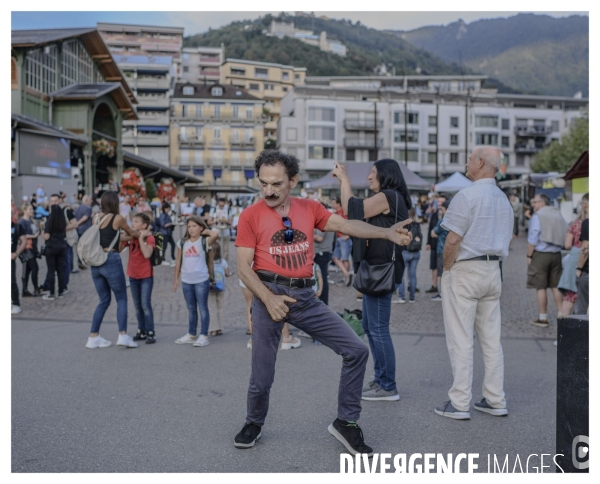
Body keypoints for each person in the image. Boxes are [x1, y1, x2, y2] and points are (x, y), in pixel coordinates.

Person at [233, 150, 412, 454]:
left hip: (304, 298)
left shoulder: (309, 208)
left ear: (293, 181)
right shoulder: (250, 215)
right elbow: (242, 267)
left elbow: (345, 226)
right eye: (263, 184)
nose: (268, 191)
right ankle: (254, 422)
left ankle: (346, 423)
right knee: (262, 376)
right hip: (268, 295)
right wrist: (267, 298)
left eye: (276, 184)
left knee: (356, 350)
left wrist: (386, 233)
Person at [433, 147, 513, 420]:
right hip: (493, 269)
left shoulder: (466, 195)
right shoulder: (504, 199)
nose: (467, 163)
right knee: (491, 340)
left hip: (466, 268)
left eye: (469, 159)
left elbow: (453, 239)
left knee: (461, 338)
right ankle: (495, 398)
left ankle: (459, 403)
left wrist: (446, 269)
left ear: (480, 163)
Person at [336, 158, 411, 403]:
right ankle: (380, 380)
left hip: (381, 270)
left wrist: (345, 180)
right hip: (375, 269)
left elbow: (352, 210)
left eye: (373, 172)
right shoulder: (392, 196)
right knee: (370, 327)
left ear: (386, 175)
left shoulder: (389, 195)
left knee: (378, 330)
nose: (369, 176)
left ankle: (388, 385)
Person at [86, 191, 141, 349]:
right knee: (121, 298)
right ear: (115, 203)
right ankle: (123, 335)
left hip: (96, 261)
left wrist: (125, 236)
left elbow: (106, 237)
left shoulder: (95, 217)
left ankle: (93, 337)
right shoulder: (118, 218)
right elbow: (131, 233)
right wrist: (138, 234)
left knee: (103, 300)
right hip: (110, 259)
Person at [173, 216, 219, 347]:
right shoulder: (182, 242)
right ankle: (191, 334)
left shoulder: (204, 241)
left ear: (201, 228)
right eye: (189, 226)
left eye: (194, 226)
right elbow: (178, 261)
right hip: (186, 280)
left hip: (201, 280)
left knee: (203, 308)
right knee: (191, 308)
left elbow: (215, 235)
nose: (191, 229)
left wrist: (207, 231)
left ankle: (204, 335)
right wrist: (176, 278)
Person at [527, 193, 568, 328]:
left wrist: (529, 255)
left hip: (541, 253)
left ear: (542, 203)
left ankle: (542, 318)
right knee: (556, 286)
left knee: (540, 286)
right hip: (556, 254)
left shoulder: (538, 216)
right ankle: (562, 314)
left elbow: (533, 236)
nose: (533, 204)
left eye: (535, 202)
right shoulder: (557, 213)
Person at [121, 212, 157, 344]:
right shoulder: (131, 237)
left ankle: (150, 331)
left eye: (136, 221)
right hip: (133, 275)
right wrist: (125, 237)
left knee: (145, 304)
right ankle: (141, 330)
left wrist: (141, 238)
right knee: (137, 306)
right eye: (132, 221)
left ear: (144, 225)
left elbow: (147, 254)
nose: (133, 223)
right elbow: (119, 249)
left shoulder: (150, 238)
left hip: (146, 275)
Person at [558, 193, 588, 316]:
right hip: (586, 263)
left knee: (570, 296)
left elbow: (567, 245)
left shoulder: (576, 224)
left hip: (576, 260)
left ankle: (563, 329)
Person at [41, 204, 74, 301]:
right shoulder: (62, 222)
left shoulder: (49, 222)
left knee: (51, 270)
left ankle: (51, 292)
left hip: (51, 247)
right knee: (60, 270)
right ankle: (60, 291)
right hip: (62, 246)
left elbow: (46, 236)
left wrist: (42, 229)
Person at [394, 208, 422, 303]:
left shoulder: (404, 226)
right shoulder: (417, 224)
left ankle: (402, 297)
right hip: (416, 253)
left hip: (405, 252)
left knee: (401, 275)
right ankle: (412, 297)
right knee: (412, 275)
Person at [207, 241, 232, 336]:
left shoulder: (208, 261)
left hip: (210, 287)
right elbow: (227, 273)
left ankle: (213, 329)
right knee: (220, 307)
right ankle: (220, 328)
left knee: (212, 308)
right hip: (221, 287)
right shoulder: (222, 261)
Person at [313, 208, 336, 305]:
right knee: (323, 277)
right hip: (325, 251)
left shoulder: (322, 221)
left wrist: (308, 231)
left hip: (321, 252)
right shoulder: (330, 220)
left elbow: (319, 238)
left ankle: (323, 303)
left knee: (322, 278)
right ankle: (323, 303)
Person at [425, 194, 447, 293]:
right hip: (434, 245)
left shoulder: (446, 216)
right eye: (438, 202)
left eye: (441, 202)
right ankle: (434, 286)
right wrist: (428, 242)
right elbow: (430, 229)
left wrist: (437, 234)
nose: (439, 204)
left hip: (443, 246)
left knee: (442, 268)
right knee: (433, 266)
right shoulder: (434, 214)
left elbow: (436, 231)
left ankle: (442, 289)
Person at [19, 204, 41, 297]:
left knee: (27, 270)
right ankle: (35, 289)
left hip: (32, 248)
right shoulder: (22, 222)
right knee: (34, 268)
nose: (32, 210)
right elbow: (22, 236)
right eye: (30, 209)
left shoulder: (30, 221)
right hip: (26, 249)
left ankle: (25, 290)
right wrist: (34, 236)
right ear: (24, 210)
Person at [430, 200, 451, 301]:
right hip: (451, 250)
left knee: (442, 273)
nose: (441, 211)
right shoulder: (454, 220)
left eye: (442, 209)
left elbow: (433, 232)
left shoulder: (443, 221)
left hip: (441, 249)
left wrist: (434, 233)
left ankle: (443, 294)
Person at [330, 197, 352, 286]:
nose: (332, 205)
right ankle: (346, 275)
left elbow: (351, 222)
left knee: (344, 259)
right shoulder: (336, 213)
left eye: (333, 203)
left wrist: (348, 235)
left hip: (344, 238)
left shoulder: (344, 212)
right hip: (339, 238)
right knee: (335, 257)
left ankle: (346, 277)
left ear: (339, 204)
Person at [12, 205, 28, 314]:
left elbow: (24, 241)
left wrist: (16, 253)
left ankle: (15, 303)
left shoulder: (17, 227)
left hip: (10, 257)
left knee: (11, 281)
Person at [210, 198, 233, 264]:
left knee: (225, 250)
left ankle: (225, 265)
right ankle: (215, 263)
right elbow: (209, 222)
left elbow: (230, 222)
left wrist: (226, 221)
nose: (221, 206)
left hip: (225, 232)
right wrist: (215, 221)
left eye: (223, 205)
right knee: (215, 248)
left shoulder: (228, 209)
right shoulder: (213, 209)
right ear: (218, 204)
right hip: (215, 232)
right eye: (220, 205)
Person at [574, 217, 589, 315]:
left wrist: (579, 268)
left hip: (588, 271)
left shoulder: (589, 223)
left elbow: (586, 246)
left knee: (582, 311)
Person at [75, 195, 93, 269]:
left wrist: (77, 224)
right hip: (85, 229)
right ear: (86, 200)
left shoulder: (78, 208)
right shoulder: (88, 208)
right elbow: (85, 218)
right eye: (90, 199)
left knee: (80, 246)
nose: (91, 201)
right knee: (86, 247)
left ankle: (80, 261)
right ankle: (83, 261)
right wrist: (78, 223)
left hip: (79, 229)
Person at [158, 203, 176, 267]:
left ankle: (173, 257)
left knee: (173, 245)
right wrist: (170, 223)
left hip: (168, 233)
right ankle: (162, 259)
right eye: (168, 209)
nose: (169, 210)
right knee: (164, 247)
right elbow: (163, 225)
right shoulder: (162, 215)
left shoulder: (167, 215)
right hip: (164, 233)